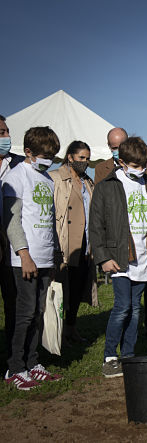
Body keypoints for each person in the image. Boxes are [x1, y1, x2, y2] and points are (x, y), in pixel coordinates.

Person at [90, 137, 147, 378]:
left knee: (135, 309)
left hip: (144, 256)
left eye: (143, 165)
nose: (140, 169)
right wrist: (102, 257)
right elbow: (96, 225)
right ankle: (110, 357)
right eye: (135, 165)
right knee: (122, 306)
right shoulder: (107, 186)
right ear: (122, 162)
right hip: (119, 256)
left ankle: (129, 355)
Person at [3, 126, 62, 390]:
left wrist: (56, 253)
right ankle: (15, 367)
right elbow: (12, 220)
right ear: (28, 152)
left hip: (46, 257)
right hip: (25, 260)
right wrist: (24, 254)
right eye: (45, 154)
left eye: (52, 155)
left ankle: (32, 361)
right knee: (24, 314)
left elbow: (49, 221)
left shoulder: (47, 179)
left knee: (39, 312)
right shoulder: (17, 177)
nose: (49, 159)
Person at [50, 141, 97, 344]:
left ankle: (71, 328)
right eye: (81, 158)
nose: (85, 162)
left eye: (87, 158)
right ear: (70, 157)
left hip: (85, 241)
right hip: (66, 240)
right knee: (63, 288)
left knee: (78, 288)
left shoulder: (88, 181)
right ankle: (57, 332)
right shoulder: (56, 178)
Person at [0, 115, 24, 359]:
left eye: (7, 132)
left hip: (11, 243)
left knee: (13, 301)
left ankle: (12, 351)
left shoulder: (18, 164)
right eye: (1, 132)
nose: (6, 137)